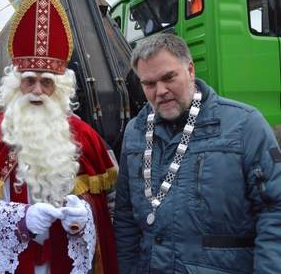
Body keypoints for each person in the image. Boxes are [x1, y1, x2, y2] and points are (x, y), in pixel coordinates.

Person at [0, 0, 118, 274]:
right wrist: (20, 219)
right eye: (29, 81)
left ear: (59, 89)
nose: (37, 91)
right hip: (4, 264)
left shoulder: (84, 136)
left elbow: (107, 208)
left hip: (64, 261)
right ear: (16, 85)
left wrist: (85, 216)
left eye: (46, 82)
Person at [114, 33, 281, 273]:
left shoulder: (244, 125)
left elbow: (275, 211)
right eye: (149, 84)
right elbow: (126, 218)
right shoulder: (135, 132)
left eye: (169, 77)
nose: (160, 91)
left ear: (190, 70)